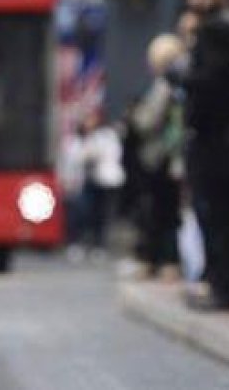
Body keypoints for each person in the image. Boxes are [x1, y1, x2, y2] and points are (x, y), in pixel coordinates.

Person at [177, 0, 229, 311]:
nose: (198, 0)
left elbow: (209, 82)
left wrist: (182, 74)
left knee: (218, 217)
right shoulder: (224, 29)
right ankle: (222, 284)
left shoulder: (214, 32)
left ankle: (226, 288)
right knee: (217, 218)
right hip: (220, 140)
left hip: (215, 141)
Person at [124, 34, 186, 280]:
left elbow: (148, 121)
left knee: (158, 213)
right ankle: (164, 261)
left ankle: (161, 261)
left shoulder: (164, 86)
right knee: (165, 213)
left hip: (159, 158)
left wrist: (133, 116)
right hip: (168, 158)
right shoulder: (175, 85)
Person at [59, 111, 124, 259]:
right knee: (80, 213)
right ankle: (76, 243)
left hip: (103, 181)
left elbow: (112, 155)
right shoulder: (75, 140)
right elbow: (72, 159)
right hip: (82, 182)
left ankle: (99, 245)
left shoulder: (107, 136)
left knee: (100, 214)